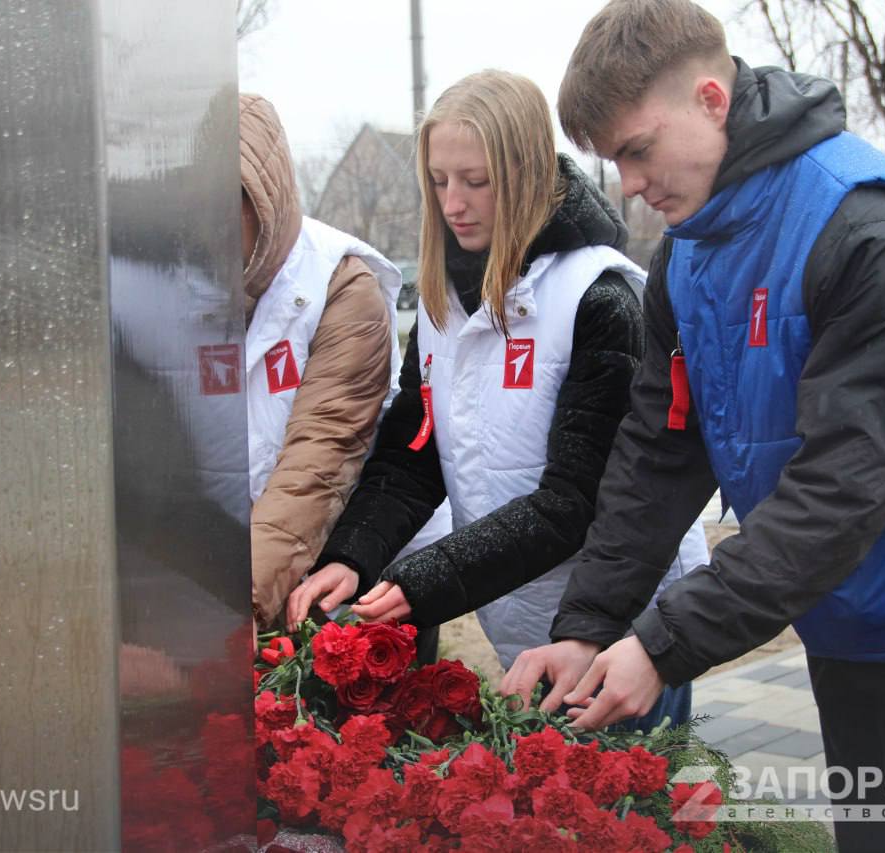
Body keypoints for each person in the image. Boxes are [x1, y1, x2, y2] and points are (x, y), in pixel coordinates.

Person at [501, 2, 885, 851]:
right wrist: (589, 625)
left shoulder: (869, 230)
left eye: (638, 150)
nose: (628, 185)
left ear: (712, 99)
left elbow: (842, 485)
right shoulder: (688, 253)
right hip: (836, 596)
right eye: (614, 161)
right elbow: (659, 452)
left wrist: (664, 643)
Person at [286, 70, 709, 729]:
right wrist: (354, 554)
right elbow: (414, 456)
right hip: (522, 626)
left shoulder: (599, 299)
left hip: (620, 636)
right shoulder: (443, 307)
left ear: (526, 174)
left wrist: (423, 582)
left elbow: (577, 500)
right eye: (438, 180)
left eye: (476, 181)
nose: (453, 203)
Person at [239, 93, 402, 629]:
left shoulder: (340, 286)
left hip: (347, 566)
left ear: (263, 199)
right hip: (242, 574)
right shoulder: (186, 284)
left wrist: (237, 607)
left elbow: (320, 455)